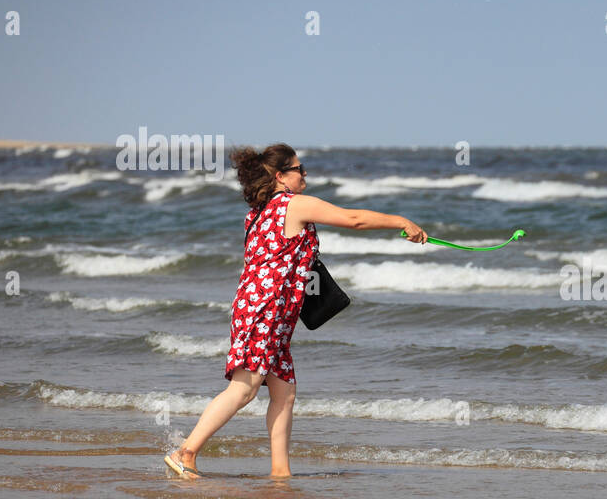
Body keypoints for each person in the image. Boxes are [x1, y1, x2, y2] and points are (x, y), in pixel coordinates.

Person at [164, 143, 427, 479]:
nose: (305, 174)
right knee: (244, 388)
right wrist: (401, 221)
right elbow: (353, 219)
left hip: (268, 312)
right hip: (265, 311)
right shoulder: (293, 204)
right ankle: (186, 452)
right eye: (299, 169)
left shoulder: (258, 212)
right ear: (280, 176)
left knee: (284, 393)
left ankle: (280, 473)